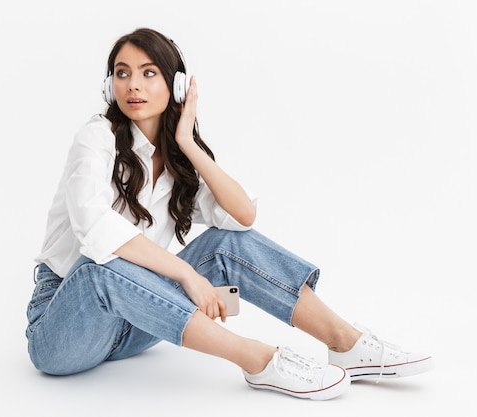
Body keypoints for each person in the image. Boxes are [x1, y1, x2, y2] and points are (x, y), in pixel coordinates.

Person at [25, 27, 434, 401]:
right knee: (103, 266)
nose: (133, 85)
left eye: (149, 73)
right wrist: (187, 275)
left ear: (177, 85)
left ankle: (347, 343)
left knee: (227, 244)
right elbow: (96, 230)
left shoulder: (177, 160)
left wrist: (186, 141)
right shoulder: (96, 137)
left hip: (136, 322)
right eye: (122, 72)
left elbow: (243, 217)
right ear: (109, 84)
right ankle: (258, 360)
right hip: (63, 328)